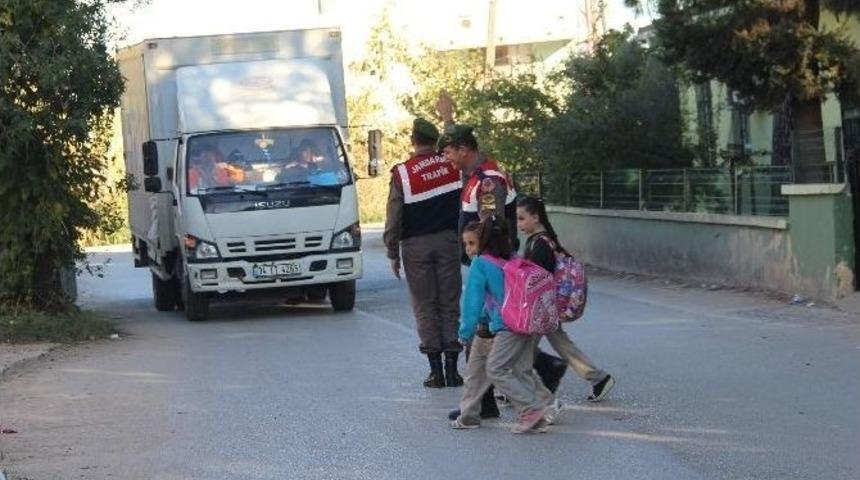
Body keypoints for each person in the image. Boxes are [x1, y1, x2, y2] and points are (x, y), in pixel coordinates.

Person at [452, 216, 553, 434]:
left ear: (483, 238)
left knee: (496, 369)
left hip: (507, 325)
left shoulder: (481, 263)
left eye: (472, 242)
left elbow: (472, 302)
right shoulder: (513, 259)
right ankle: (537, 417)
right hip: (527, 322)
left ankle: (531, 409)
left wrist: (465, 333)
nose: (467, 248)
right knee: (521, 370)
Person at [384, 118, 464, 388]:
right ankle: (453, 371)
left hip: (415, 247)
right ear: (435, 140)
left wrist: (392, 252)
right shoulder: (451, 166)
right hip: (449, 242)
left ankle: (435, 373)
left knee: (425, 306)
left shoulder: (403, 173)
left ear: (413, 141)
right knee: (449, 303)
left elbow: (394, 216)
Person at [517, 196, 616, 403]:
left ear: (536, 217)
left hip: (541, 308)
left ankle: (523, 391)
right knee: (559, 344)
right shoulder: (542, 241)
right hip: (546, 306)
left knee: (521, 349)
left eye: (522, 218)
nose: (519, 224)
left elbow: (537, 280)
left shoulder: (540, 245)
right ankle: (598, 378)